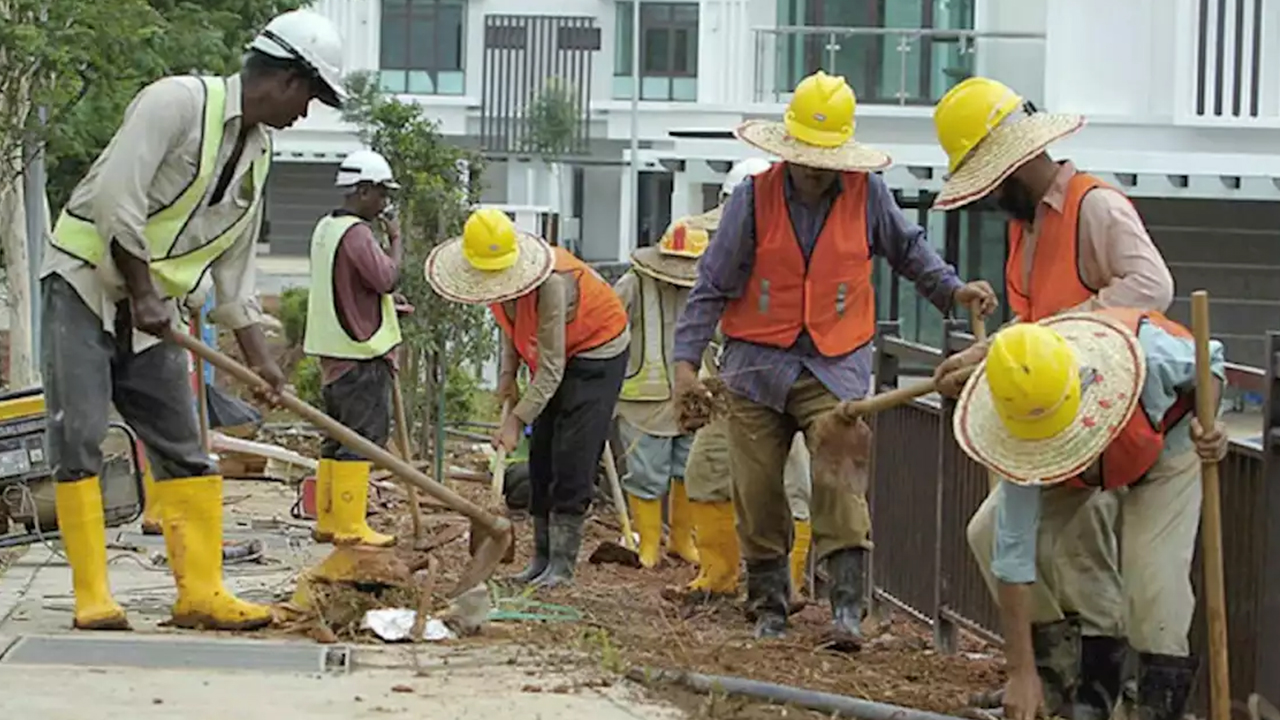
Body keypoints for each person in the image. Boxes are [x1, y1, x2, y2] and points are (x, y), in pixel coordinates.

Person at [41, 9, 346, 632]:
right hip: (83, 282)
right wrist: (142, 292)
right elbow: (114, 200)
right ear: (287, 79)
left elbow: (236, 277)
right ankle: (93, 595)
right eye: (310, 97)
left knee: (184, 444)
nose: (306, 114)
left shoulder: (259, 156)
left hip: (157, 312)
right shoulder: (176, 102)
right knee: (83, 432)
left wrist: (262, 363)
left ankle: (200, 594)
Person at [672, 69, 997, 647]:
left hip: (834, 360)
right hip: (756, 364)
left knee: (840, 474)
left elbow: (909, 251)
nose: (815, 167)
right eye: (806, 155)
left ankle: (848, 608)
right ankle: (769, 603)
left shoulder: (868, 194)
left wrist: (952, 291)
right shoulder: (753, 199)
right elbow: (711, 286)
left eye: (826, 156)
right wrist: (684, 367)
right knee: (756, 486)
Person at [931, 76, 1177, 712]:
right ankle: (1047, 672)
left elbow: (1152, 288)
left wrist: (1071, 333)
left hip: (1111, 410)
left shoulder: (1096, 208)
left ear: (1017, 160)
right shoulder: (1026, 226)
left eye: (989, 179)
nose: (987, 197)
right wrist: (987, 354)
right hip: (1051, 407)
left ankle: (1095, 686)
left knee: (1090, 561)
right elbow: (1036, 322)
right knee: (993, 535)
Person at [938, 309, 1227, 720]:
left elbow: (1210, 361)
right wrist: (1020, 672)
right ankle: (1055, 674)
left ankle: (1154, 706)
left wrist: (1207, 421)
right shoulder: (1018, 415)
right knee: (986, 531)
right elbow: (1012, 551)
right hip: (1082, 463)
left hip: (1166, 443)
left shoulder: (1150, 355)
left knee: (1153, 583)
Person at [425, 209, 629, 588]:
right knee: (542, 454)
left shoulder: (551, 283)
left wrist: (516, 420)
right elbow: (511, 328)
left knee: (573, 453)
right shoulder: (491, 280)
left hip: (596, 351)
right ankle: (540, 558)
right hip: (552, 354)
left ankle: (562, 565)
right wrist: (507, 379)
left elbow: (551, 367)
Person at [660, 159, 814, 603]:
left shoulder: (791, 258)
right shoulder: (725, 260)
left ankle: (790, 583)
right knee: (706, 470)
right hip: (732, 386)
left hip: (790, 386)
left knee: (791, 484)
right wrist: (693, 372)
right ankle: (718, 576)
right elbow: (707, 308)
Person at [304, 149, 414, 549]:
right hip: (359, 352)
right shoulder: (357, 233)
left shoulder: (325, 228)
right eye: (381, 194)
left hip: (333, 349)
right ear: (363, 190)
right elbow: (385, 277)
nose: (384, 203)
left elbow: (346, 286)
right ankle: (350, 525)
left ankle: (330, 521)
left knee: (336, 437)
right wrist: (396, 240)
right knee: (361, 438)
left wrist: (386, 307)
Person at [612, 204, 703, 569]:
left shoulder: (706, 286)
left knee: (690, 468)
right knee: (647, 471)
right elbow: (611, 327)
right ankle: (649, 542)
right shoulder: (634, 283)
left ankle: (682, 540)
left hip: (693, 396)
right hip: (643, 399)